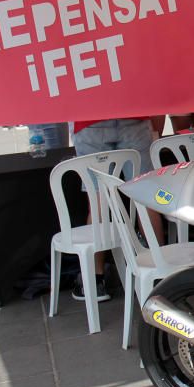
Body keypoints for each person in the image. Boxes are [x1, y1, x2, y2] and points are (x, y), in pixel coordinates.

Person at [72, 116, 164, 301]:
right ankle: (159, 269)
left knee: (98, 199)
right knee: (145, 196)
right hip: (134, 117)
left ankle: (95, 280)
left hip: (89, 120)